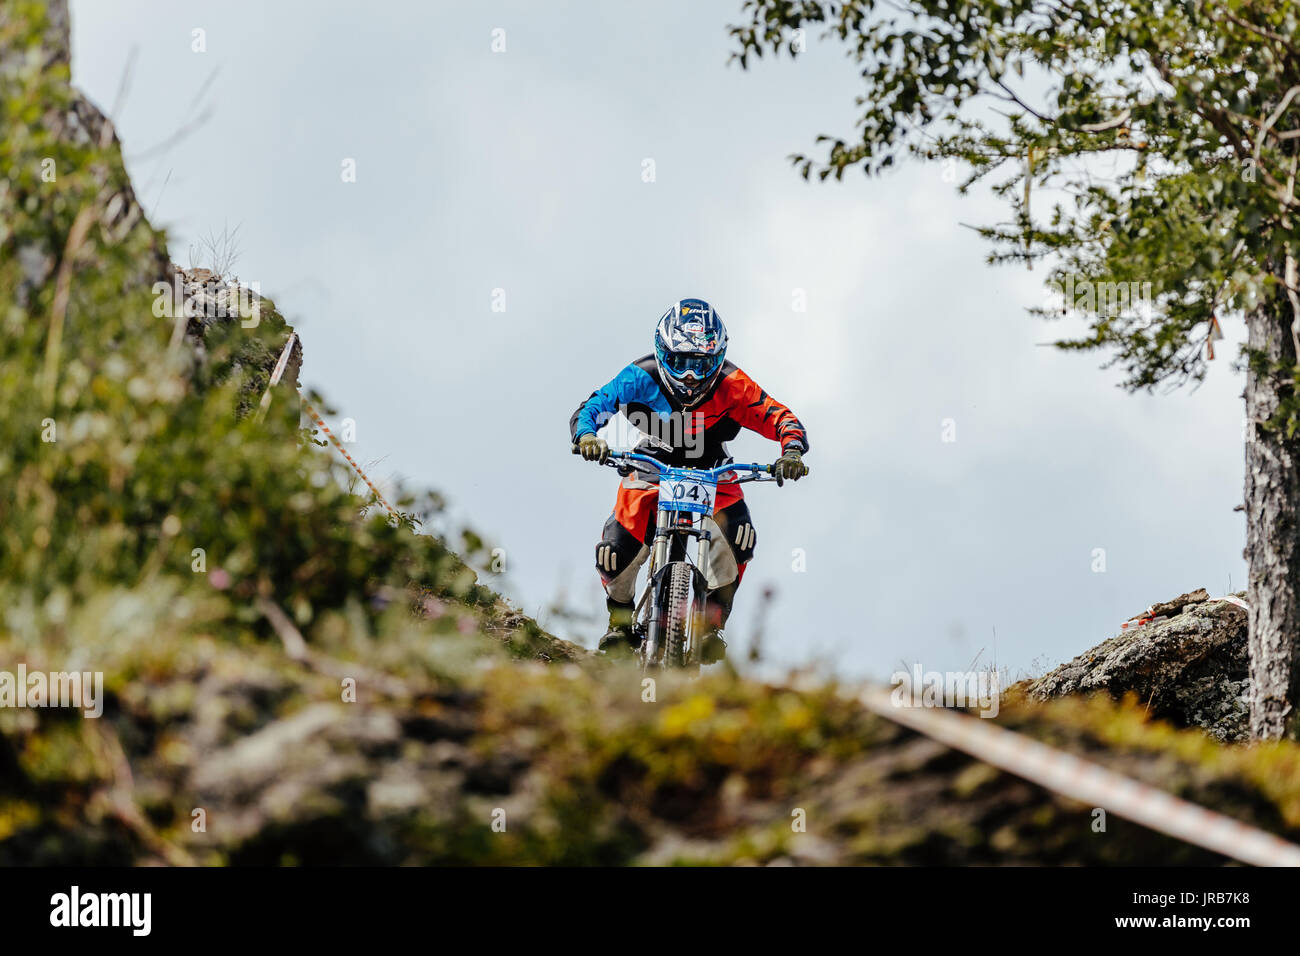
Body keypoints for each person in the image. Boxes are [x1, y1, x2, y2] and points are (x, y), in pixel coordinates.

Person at [569, 297, 809, 660]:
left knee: (740, 540)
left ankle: (712, 623)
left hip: (715, 472)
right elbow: (594, 405)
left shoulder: (734, 384)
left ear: (719, 358)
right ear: (662, 353)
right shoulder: (640, 376)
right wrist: (587, 436)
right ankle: (619, 622)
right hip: (649, 467)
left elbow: (780, 416)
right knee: (615, 548)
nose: (691, 376)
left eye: (701, 364)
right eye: (680, 362)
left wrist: (791, 451)